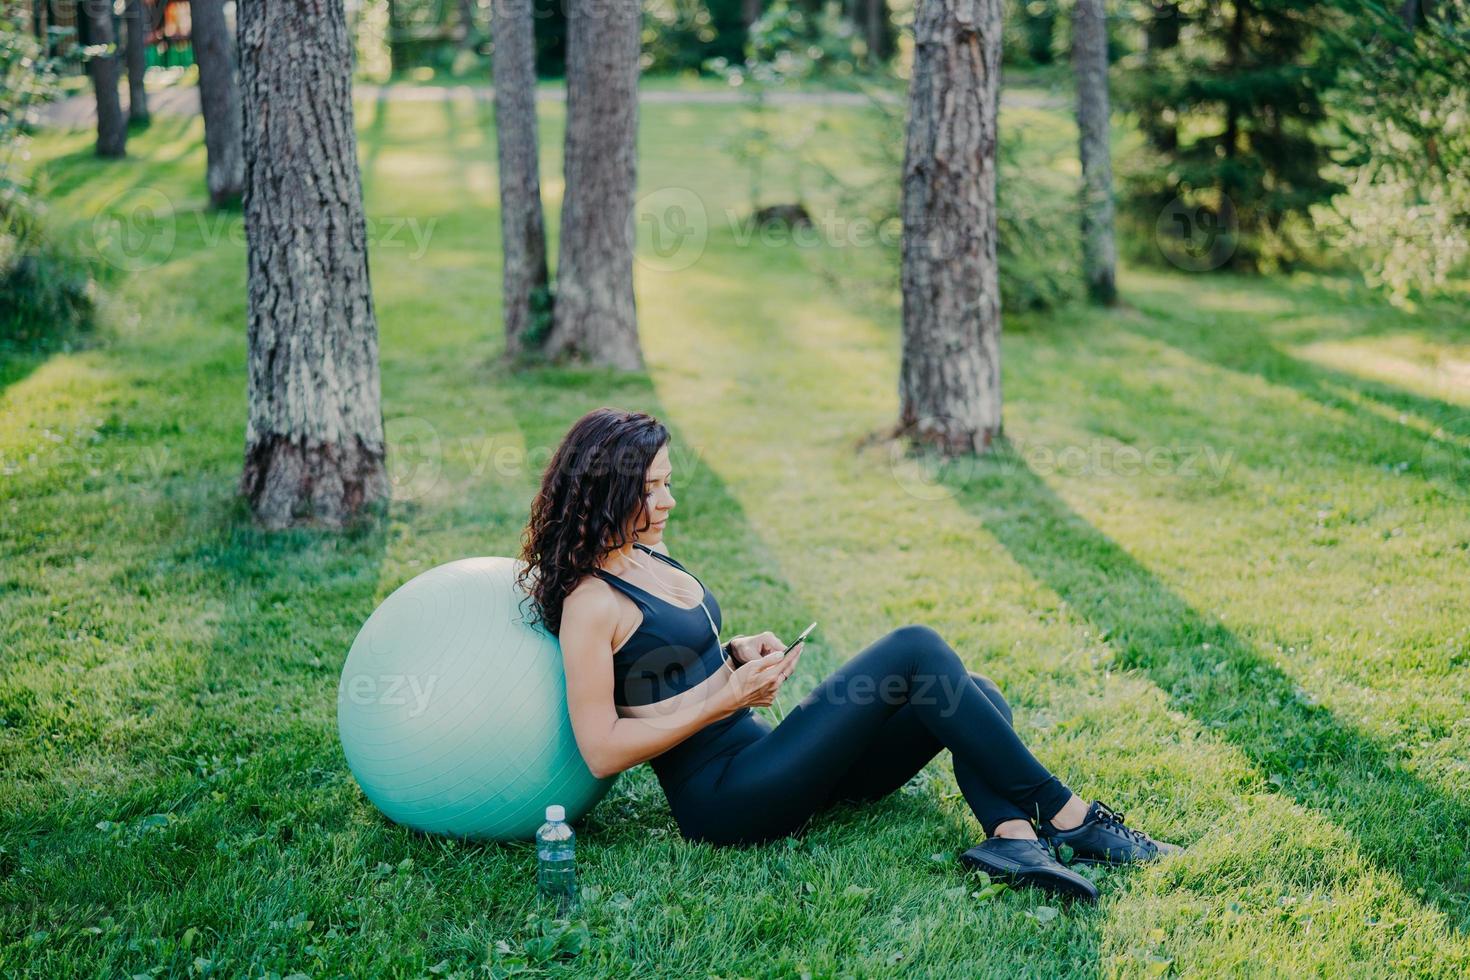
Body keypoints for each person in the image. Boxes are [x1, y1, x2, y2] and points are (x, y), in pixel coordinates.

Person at [516, 408, 1182, 901]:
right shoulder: (590, 603)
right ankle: (1071, 817)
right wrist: (726, 697)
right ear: (606, 490)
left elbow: (666, 662)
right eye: (651, 487)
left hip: (776, 762)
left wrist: (735, 652)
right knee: (915, 650)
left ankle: (1012, 840)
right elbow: (601, 747)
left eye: (668, 482)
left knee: (972, 692)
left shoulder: (646, 552)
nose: (668, 499)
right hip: (727, 800)